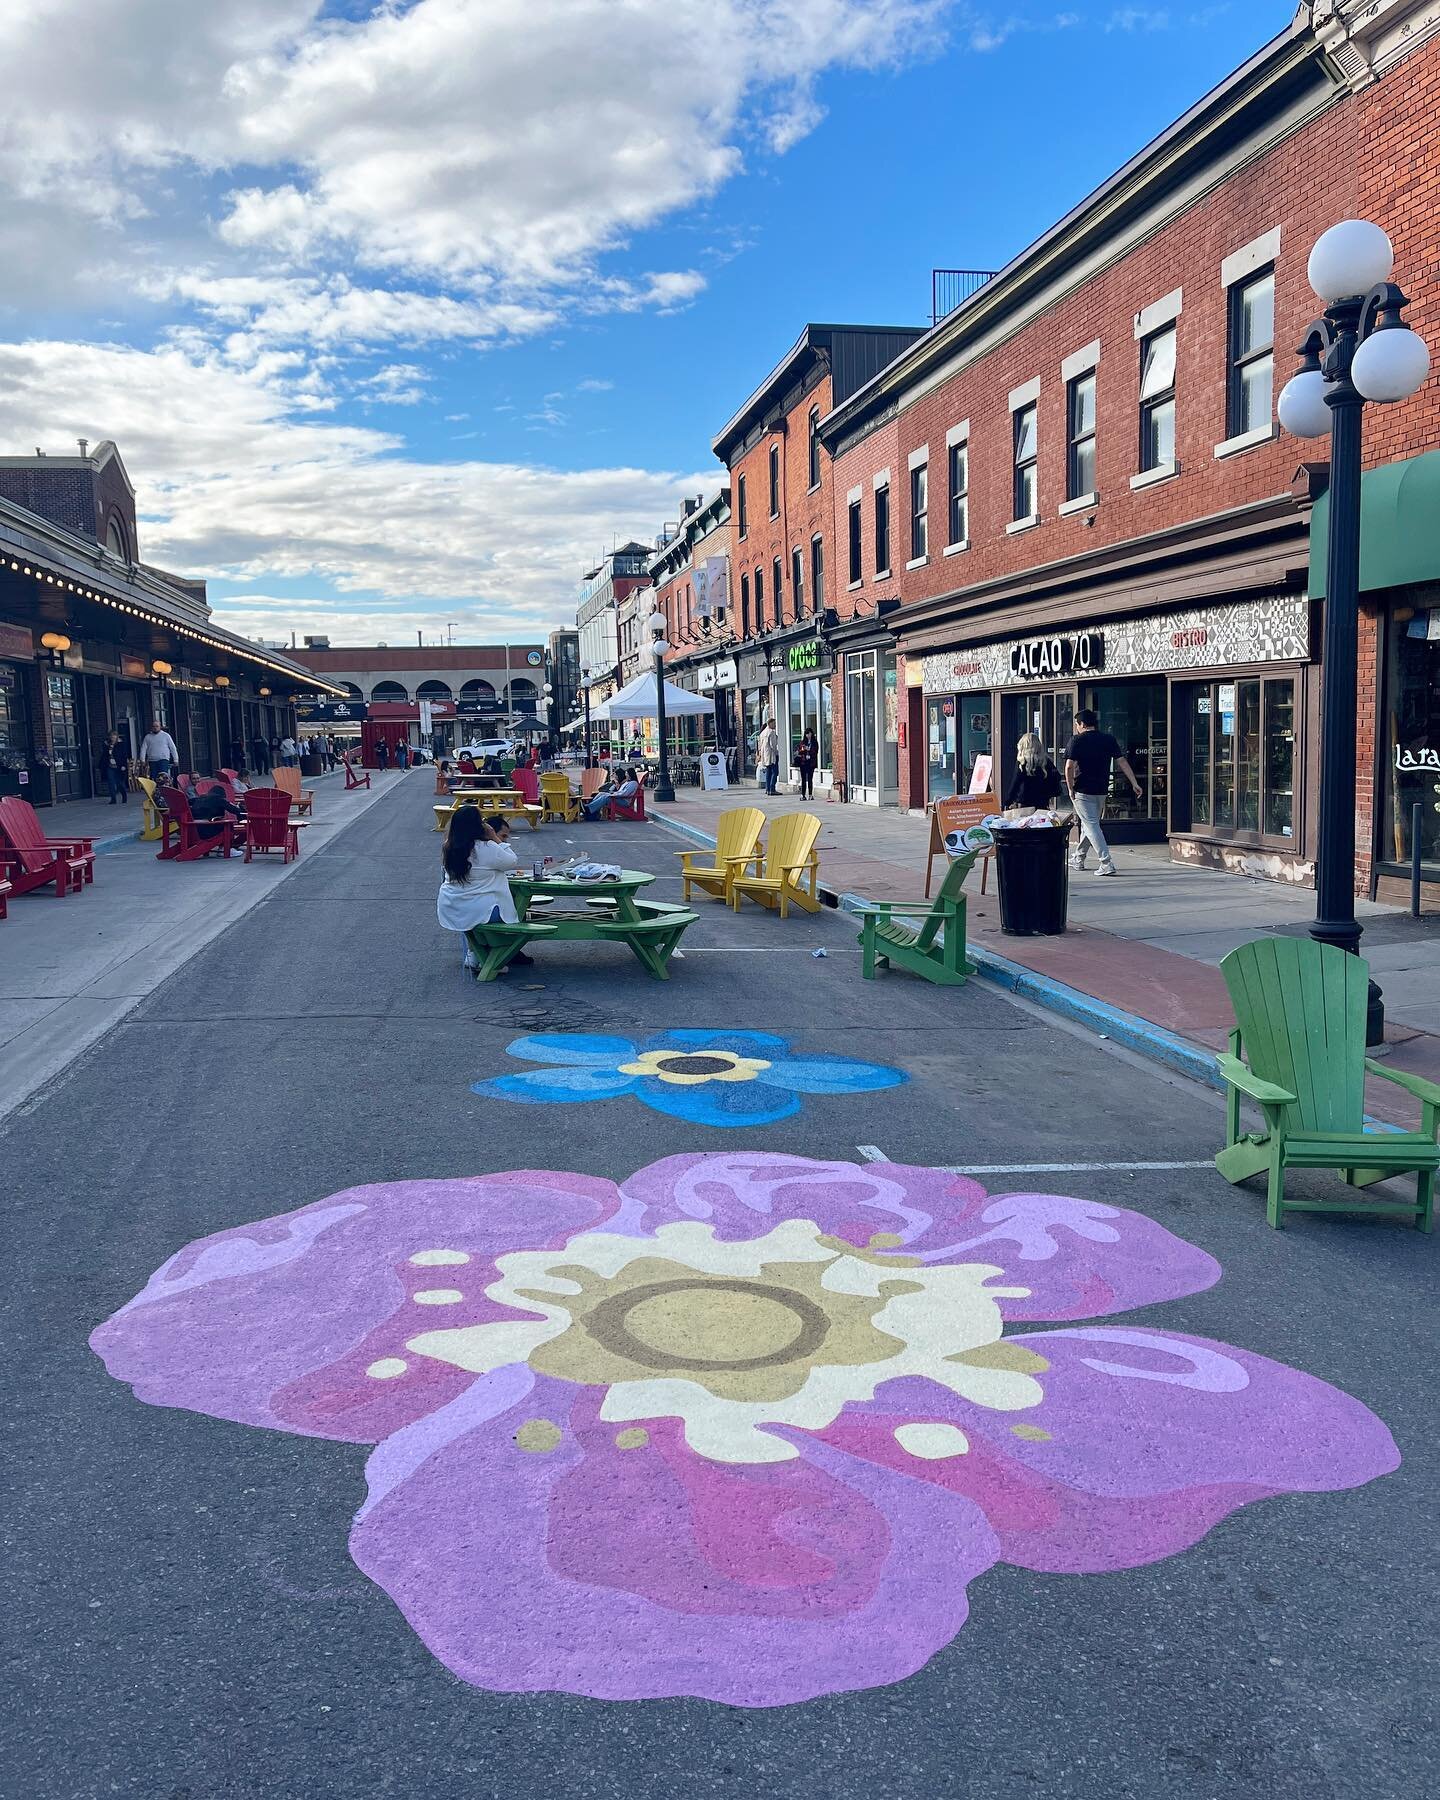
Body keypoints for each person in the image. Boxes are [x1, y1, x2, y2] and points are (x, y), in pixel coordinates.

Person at [437, 806, 531, 971]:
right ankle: (496, 955)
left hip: (452, 906)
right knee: (516, 910)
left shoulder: (448, 847)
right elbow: (511, 861)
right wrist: (495, 837)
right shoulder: (486, 847)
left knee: (474, 914)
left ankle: (475, 954)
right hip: (481, 909)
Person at [1064, 709, 1143, 877]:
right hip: (1101, 789)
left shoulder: (1076, 740)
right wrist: (1134, 782)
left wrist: (1070, 788)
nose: (1076, 727)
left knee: (1091, 825)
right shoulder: (1108, 739)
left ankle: (1106, 862)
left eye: (1077, 724)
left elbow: (1069, 766)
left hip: (1082, 790)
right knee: (1090, 824)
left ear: (1082, 724)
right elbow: (1122, 761)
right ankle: (1078, 858)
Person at [1005, 732, 1063, 810]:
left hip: (1025, 801)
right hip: (1042, 801)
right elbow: (1057, 776)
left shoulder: (1022, 762)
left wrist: (1008, 801)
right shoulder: (1045, 761)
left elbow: (1016, 782)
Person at [139, 717, 179, 786]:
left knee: (163, 777)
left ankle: (165, 792)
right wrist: (142, 759)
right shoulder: (147, 737)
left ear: (160, 727)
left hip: (163, 759)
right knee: (154, 778)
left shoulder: (166, 736)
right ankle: (156, 793)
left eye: (157, 726)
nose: (155, 728)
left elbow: (172, 748)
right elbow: (143, 749)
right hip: (152, 760)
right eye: (154, 726)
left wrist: (176, 759)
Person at [101, 730, 130, 805]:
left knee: (119, 783)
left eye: (114, 736)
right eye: (111, 736)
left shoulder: (121, 745)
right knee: (111, 782)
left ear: (117, 737)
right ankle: (113, 799)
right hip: (110, 766)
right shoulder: (107, 745)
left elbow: (124, 755)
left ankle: (124, 795)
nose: (112, 738)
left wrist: (123, 765)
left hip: (119, 766)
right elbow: (104, 755)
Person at [793, 727, 818, 801]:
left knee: (810, 779)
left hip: (811, 762)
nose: (808, 735)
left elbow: (815, 751)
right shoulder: (803, 742)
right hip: (803, 762)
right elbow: (799, 750)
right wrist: (801, 750)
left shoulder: (814, 742)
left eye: (809, 734)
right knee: (803, 779)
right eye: (807, 734)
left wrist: (809, 749)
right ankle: (803, 795)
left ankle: (810, 794)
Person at [757, 714, 780, 796]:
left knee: (768, 772)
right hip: (771, 755)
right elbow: (773, 745)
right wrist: (777, 753)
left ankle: (767, 789)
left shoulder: (763, 733)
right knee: (775, 772)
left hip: (765, 756)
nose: (775, 725)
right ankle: (772, 789)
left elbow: (760, 745)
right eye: (774, 723)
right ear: (770, 724)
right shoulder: (771, 732)